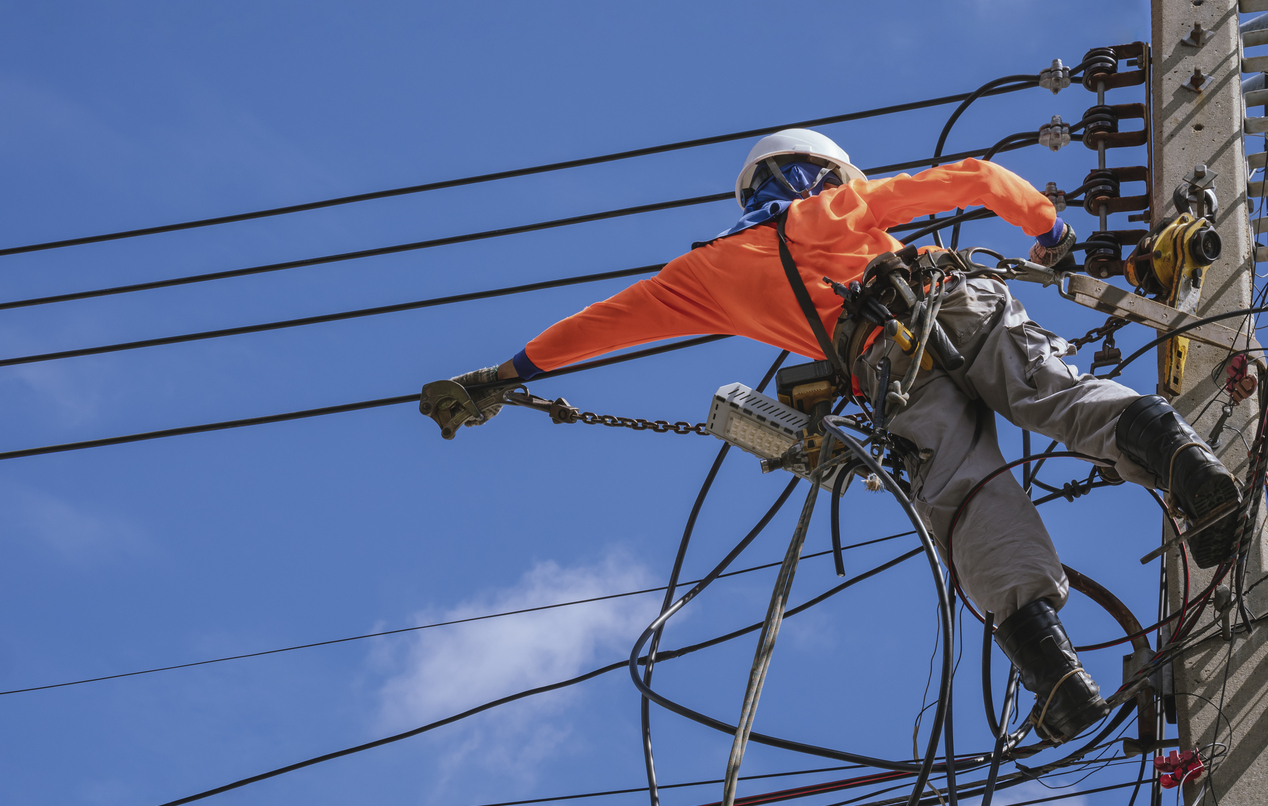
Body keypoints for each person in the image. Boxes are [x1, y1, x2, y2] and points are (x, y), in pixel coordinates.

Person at [436, 129, 1241, 743]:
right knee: (1059, 398)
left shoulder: (704, 274)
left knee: (962, 498)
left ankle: (1056, 674)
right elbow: (980, 179)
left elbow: (602, 327)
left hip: (885, 363)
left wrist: (498, 379)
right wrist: (1051, 233)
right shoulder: (838, 209)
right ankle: (1195, 478)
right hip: (950, 301)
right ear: (824, 175)